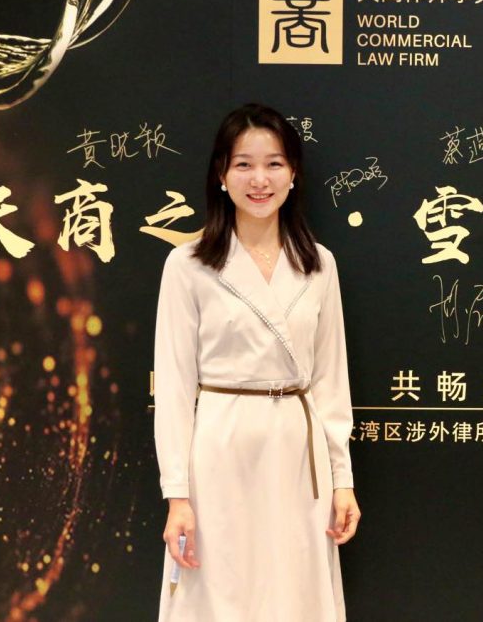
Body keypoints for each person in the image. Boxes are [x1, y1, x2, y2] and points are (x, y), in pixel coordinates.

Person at [153, 103, 360, 621]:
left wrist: (343, 479)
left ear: (294, 174)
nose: (259, 179)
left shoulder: (319, 263)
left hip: (298, 451)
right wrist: (177, 495)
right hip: (220, 447)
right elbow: (174, 388)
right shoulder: (188, 264)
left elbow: (331, 381)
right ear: (221, 175)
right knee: (220, 591)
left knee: (295, 592)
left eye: (274, 164)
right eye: (243, 164)